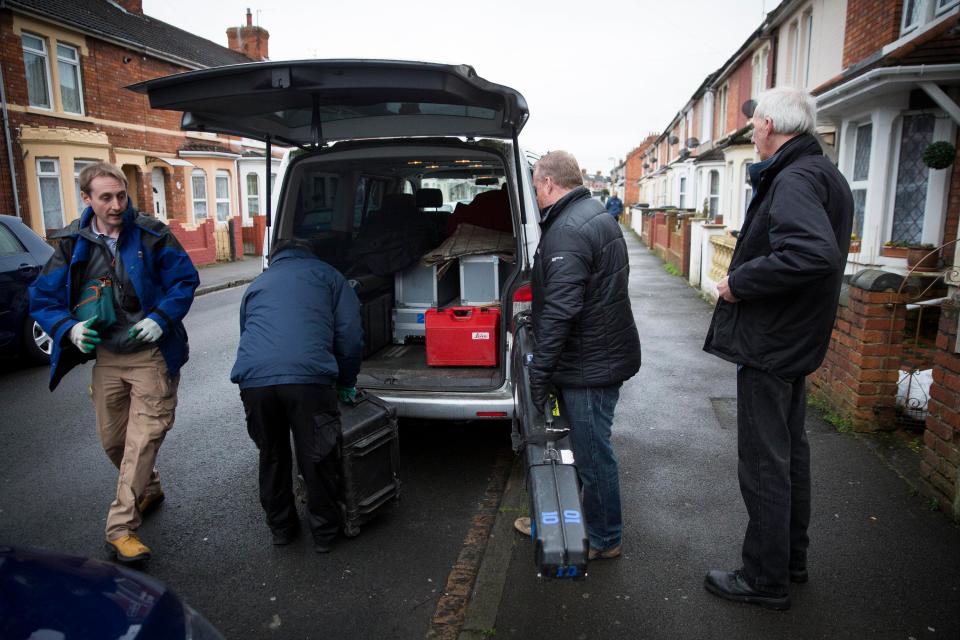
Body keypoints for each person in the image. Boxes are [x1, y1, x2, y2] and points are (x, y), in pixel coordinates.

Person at [702, 87, 853, 610]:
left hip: (772, 341)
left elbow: (812, 253)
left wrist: (740, 282)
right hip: (796, 338)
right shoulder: (821, 173)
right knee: (790, 455)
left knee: (765, 462)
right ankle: (790, 559)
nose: (753, 131)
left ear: (769, 125)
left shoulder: (793, 178)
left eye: (755, 123)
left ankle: (764, 579)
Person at [30, 162, 199, 563]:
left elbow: (184, 280)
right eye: (106, 197)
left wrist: (161, 319)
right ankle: (149, 486)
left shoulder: (152, 233)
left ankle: (120, 528)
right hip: (107, 356)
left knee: (142, 443)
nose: (117, 204)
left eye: (121, 195)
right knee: (114, 441)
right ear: (86, 199)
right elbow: (43, 299)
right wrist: (68, 329)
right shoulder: (73, 243)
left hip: (150, 356)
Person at [514, 150, 641, 560]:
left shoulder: (567, 229)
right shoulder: (593, 214)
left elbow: (562, 310)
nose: (534, 193)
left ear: (549, 183)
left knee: (591, 455)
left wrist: (539, 373)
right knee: (583, 451)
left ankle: (604, 539)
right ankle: (565, 520)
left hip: (589, 365)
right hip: (597, 355)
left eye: (534, 186)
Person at [230, 238, 363, 553]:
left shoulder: (257, 284)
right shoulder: (330, 276)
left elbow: (247, 333)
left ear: (275, 257)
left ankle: (281, 529)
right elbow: (350, 335)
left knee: (272, 455)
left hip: (255, 382)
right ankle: (325, 534)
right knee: (317, 455)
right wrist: (346, 379)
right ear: (309, 253)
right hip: (308, 379)